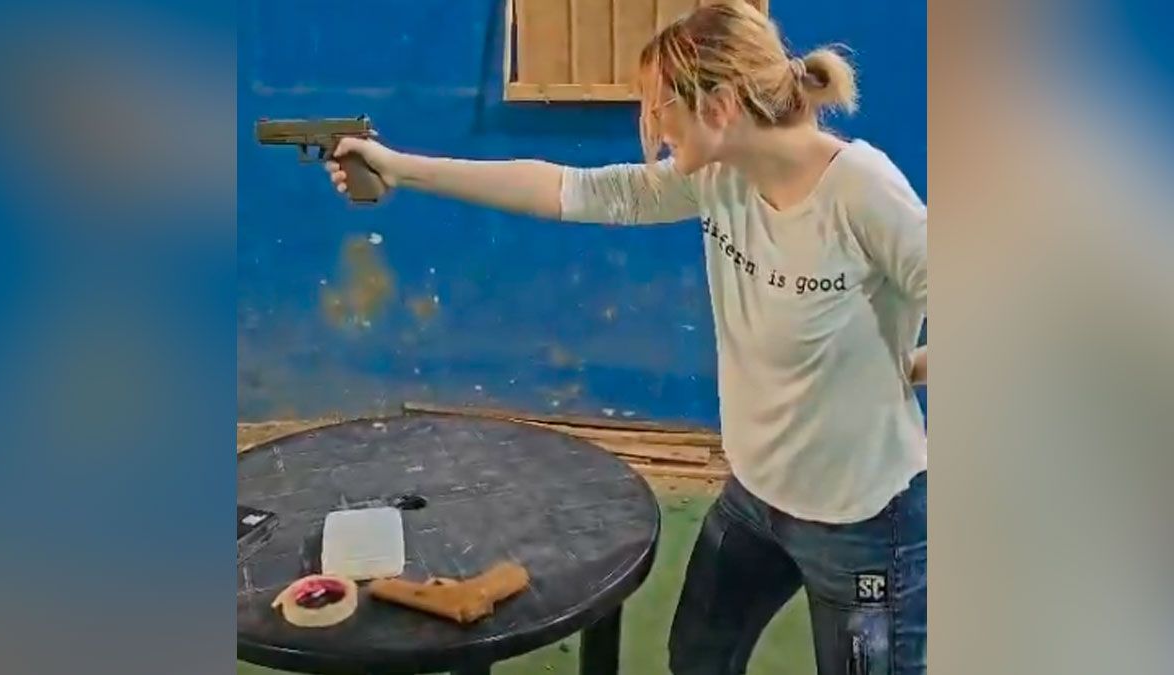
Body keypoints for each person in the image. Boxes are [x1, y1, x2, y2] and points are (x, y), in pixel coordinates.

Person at [325, 1, 927, 672]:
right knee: (696, 660)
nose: (655, 127)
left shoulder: (862, 192)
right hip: (757, 495)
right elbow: (570, 189)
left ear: (720, 105)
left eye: (660, 107)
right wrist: (400, 168)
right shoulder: (721, 177)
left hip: (861, 519)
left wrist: (912, 365)